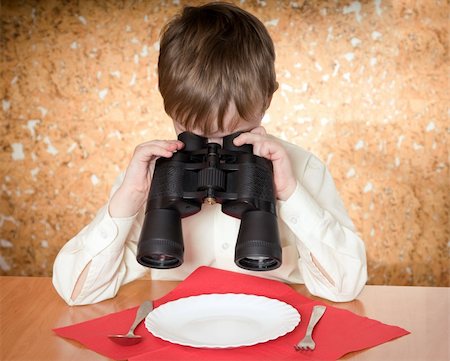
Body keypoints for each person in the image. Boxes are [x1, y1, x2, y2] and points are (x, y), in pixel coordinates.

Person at [53, 2, 367, 306]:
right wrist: (127, 200)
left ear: (268, 99)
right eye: (193, 133)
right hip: (177, 329)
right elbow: (77, 292)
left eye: (232, 136)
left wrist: (290, 193)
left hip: (278, 326)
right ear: (166, 100)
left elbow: (344, 288)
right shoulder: (154, 175)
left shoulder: (303, 168)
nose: (212, 149)